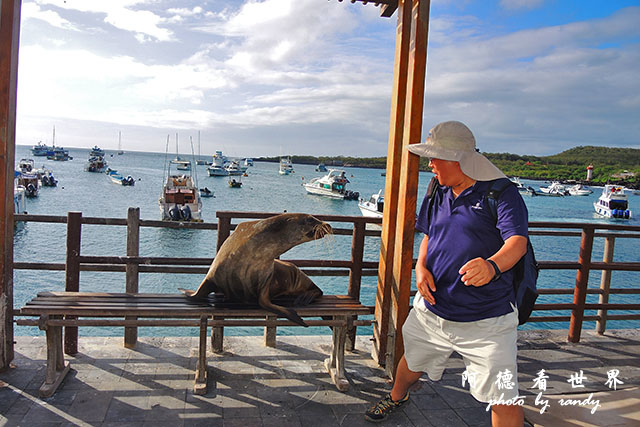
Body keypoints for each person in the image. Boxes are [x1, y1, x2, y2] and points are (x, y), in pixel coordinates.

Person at [365, 121, 528, 426]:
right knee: (411, 360)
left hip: (487, 320)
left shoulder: (502, 194)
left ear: (459, 159)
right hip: (434, 308)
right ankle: (397, 396)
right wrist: (420, 267)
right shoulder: (438, 189)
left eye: (435, 158)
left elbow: (517, 243)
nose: (430, 165)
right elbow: (429, 234)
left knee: (503, 394)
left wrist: (492, 265)